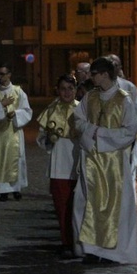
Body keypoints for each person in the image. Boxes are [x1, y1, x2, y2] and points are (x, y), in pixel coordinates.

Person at [72, 56, 137, 264]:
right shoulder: (90, 97)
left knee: (115, 206)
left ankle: (113, 253)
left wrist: (101, 136)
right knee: (89, 204)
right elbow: (77, 119)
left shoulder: (123, 99)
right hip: (91, 158)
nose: (90, 77)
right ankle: (92, 250)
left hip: (114, 162)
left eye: (94, 74)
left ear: (104, 75)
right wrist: (90, 133)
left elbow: (130, 131)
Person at [36, 74, 80, 259]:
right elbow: (40, 139)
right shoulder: (51, 109)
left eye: (70, 88)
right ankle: (66, 242)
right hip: (59, 164)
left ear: (76, 90)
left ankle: (80, 242)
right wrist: (48, 138)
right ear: (58, 90)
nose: (67, 92)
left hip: (78, 161)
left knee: (78, 207)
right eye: (63, 88)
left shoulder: (82, 109)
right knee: (62, 206)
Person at [0, 64, 32, 201]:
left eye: (4, 74)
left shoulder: (18, 91)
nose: (1, 77)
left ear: (9, 75)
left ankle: (16, 189)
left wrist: (15, 114)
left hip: (14, 131)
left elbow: (27, 111)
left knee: (16, 159)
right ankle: (3, 191)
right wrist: (1, 105)